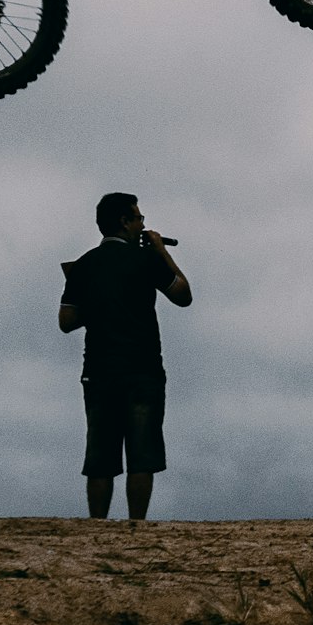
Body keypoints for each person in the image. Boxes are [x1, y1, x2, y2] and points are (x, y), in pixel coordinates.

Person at [59, 192, 192, 521]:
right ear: (125, 221)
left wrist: (101, 303)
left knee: (101, 458)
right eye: (139, 218)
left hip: (99, 371)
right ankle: (136, 525)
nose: (143, 224)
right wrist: (162, 252)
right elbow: (183, 295)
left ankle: (98, 526)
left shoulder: (85, 264)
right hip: (142, 370)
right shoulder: (146, 260)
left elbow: (67, 321)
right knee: (142, 455)